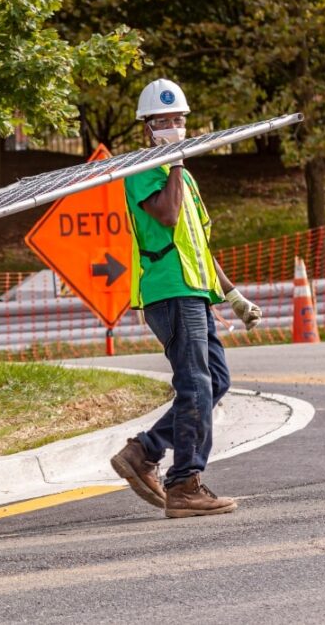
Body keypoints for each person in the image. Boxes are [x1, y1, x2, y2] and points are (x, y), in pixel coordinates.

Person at [109, 79, 262, 518]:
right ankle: (185, 484)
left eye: (180, 120)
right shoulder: (140, 171)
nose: (175, 127)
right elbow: (168, 215)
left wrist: (231, 295)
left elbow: (198, 243)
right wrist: (173, 163)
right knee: (195, 385)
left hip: (195, 294)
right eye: (164, 121)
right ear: (147, 128)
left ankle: (145, 451)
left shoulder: (186, 179)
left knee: (214, 382)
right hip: (168, 295)